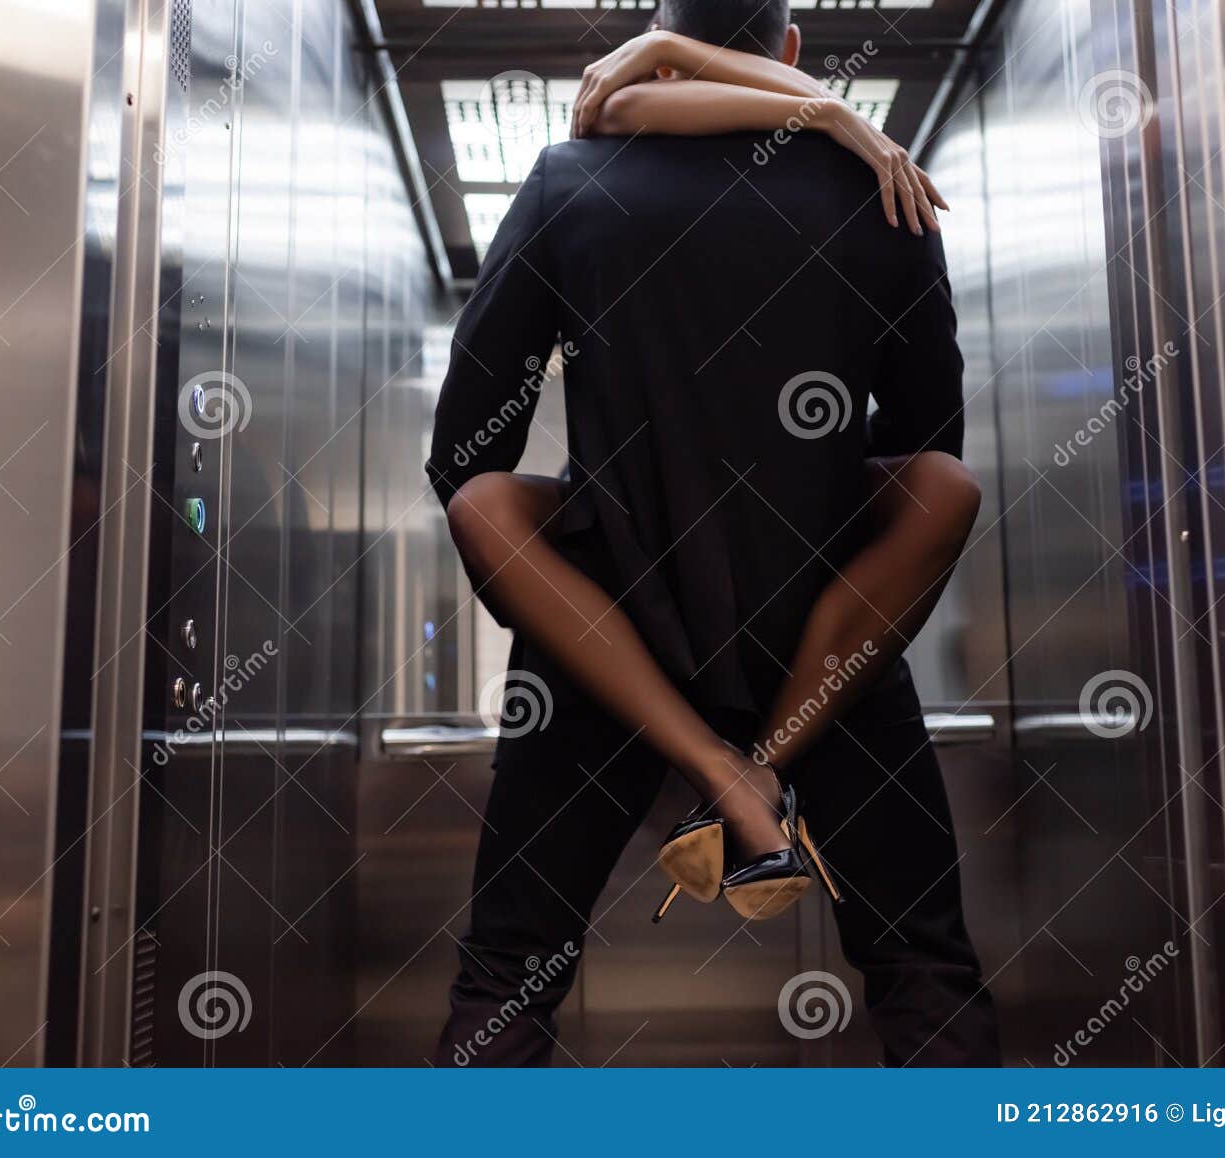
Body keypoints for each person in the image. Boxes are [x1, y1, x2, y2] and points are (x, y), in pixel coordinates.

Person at [428, 0, 999, 1065]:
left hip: (603, 638)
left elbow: (464, 453)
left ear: (660, 32)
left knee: (508, 976)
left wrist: (620, 504)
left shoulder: (569, 181)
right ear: (787, 50)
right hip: (826, 643)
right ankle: (756, 771)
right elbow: (928, 436)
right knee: (922, 968)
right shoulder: (882, 193)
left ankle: (719, 770)